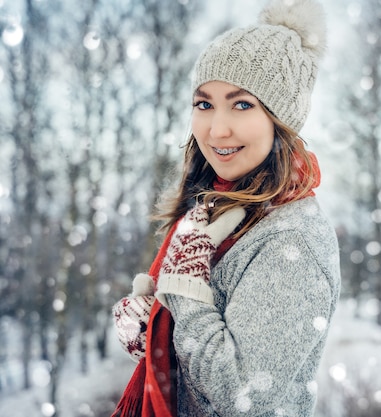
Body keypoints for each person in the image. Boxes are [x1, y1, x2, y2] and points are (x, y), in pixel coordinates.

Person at [110, 0, 341, 415]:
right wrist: (158, 332)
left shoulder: (291, 240)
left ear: (280, 120)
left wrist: (184, 297)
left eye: (241, 104)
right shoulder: (213, 215)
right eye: (204, 104)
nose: (217, 129)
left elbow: (242, 396)